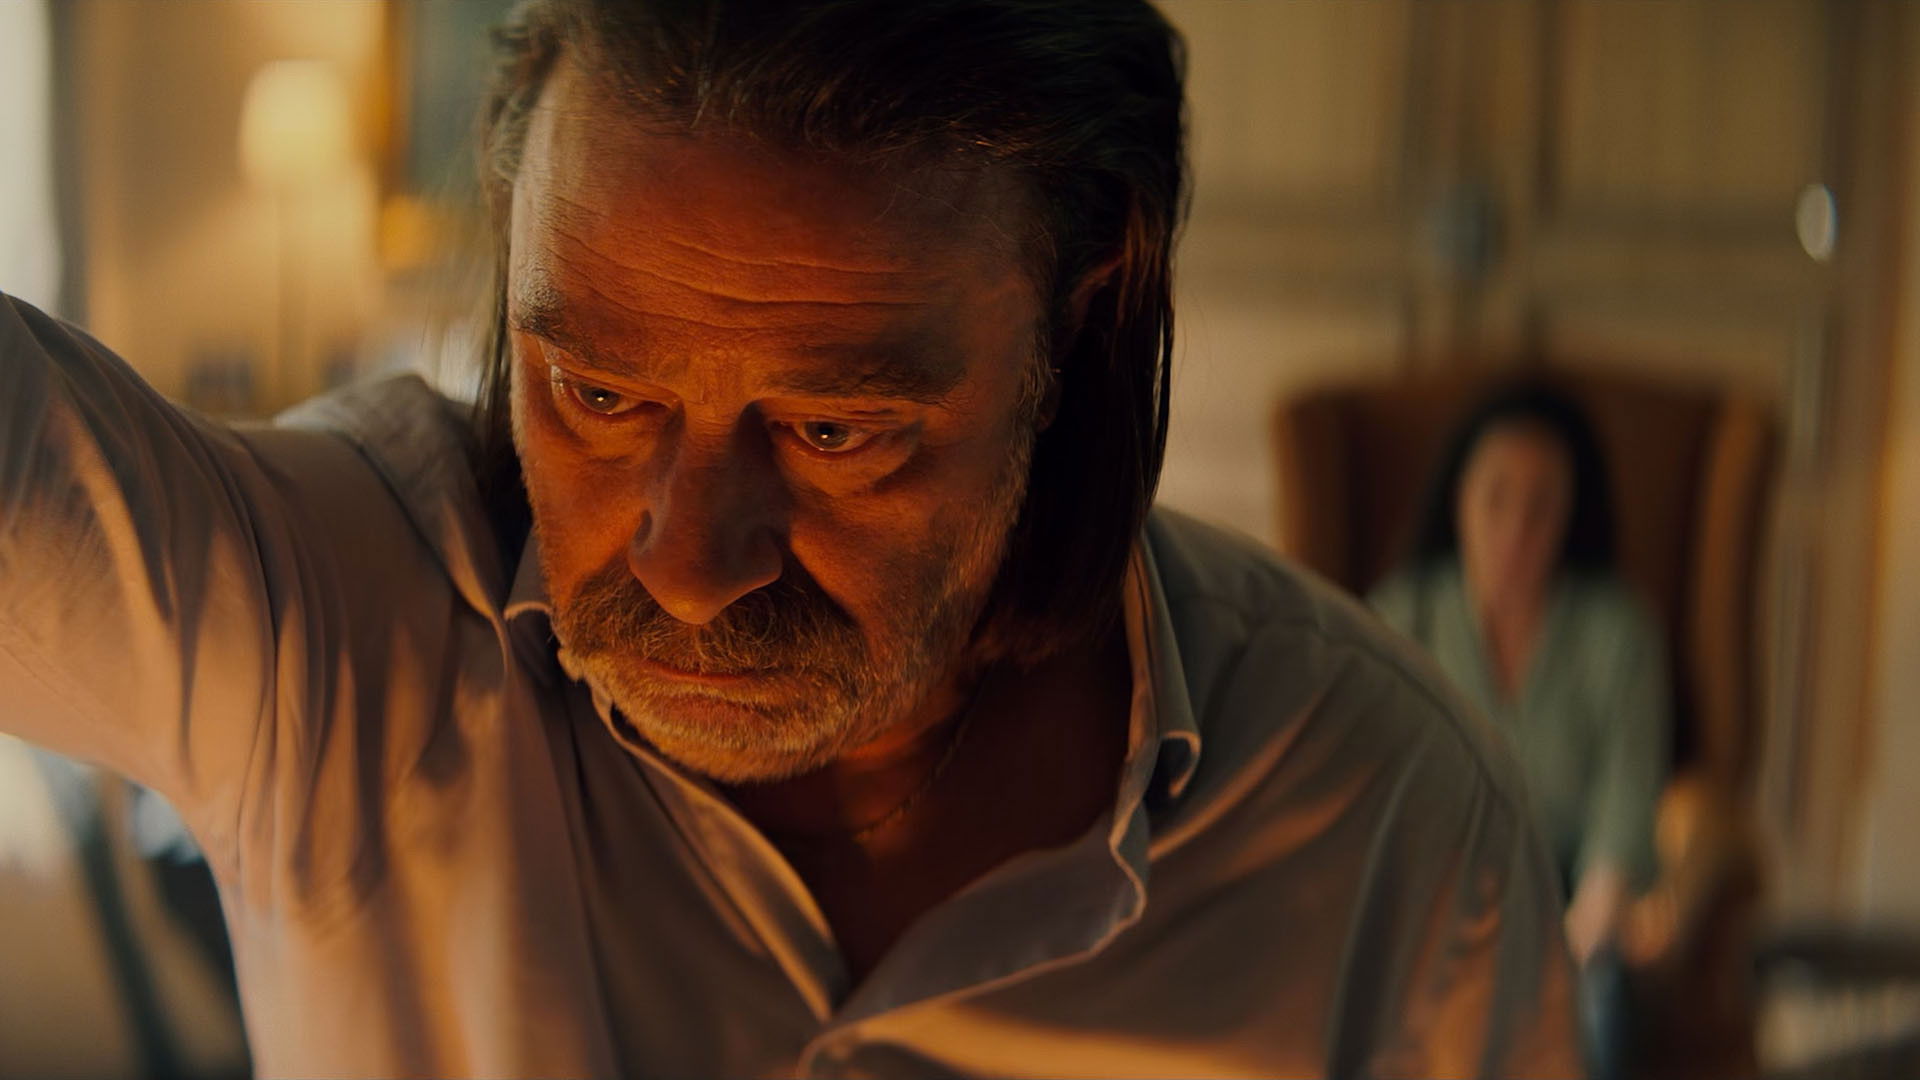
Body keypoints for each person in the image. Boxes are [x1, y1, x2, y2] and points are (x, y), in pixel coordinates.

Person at [1, 1, 1579, 1075]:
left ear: (1083, 309)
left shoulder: (1391, 827)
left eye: (835, 431)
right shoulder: (343, 622)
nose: (687, 568)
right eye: (597, 395)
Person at [1369, 382, 1671, 1079]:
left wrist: (1579, 934)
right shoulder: (1399, 619)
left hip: (1571, 908)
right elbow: (1369, 792)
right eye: (1497, 497)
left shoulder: (1620, 635)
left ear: (1572, 515)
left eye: (1542, 505)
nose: (1516, 529)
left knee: (1591, 1012)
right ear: (1460, 499)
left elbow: (1623, 811)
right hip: (1427, 902)